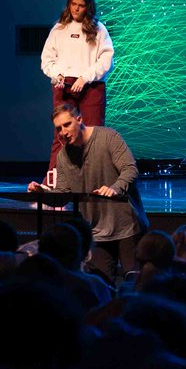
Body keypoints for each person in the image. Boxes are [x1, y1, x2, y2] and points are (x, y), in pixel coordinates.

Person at [28, 103, 148, 283]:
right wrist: (42, 193)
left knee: (135, 283)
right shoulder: (63, 156)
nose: (63, 132)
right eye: (58, 128)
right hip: (97, 230)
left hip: (126, 226)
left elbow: (130, 170)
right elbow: (62, 195)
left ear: (79, 119)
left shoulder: (108, 137)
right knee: (100, 284)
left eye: (67, 125)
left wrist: (114, 188)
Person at [40, 0, 114, 170]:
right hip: (63, 87)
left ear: (88, 7)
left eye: (81, 5)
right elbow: (46, 60)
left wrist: (85, 77)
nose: (76, 9)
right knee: (62, 135)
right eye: (73, 4)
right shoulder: (59, 29)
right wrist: (56, 74)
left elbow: (107, 60)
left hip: (91, 87)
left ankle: (93, 183)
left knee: (93, 135)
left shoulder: (98, 29)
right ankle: (54, 184)